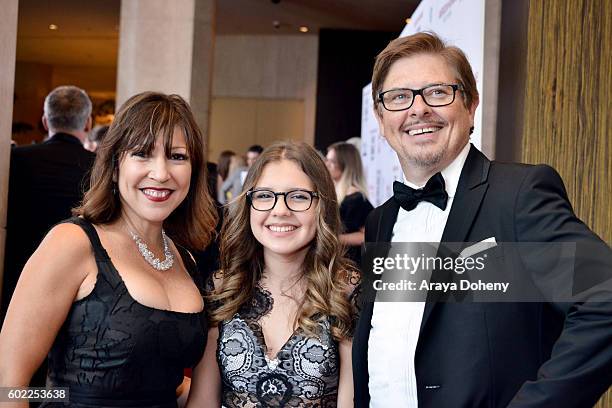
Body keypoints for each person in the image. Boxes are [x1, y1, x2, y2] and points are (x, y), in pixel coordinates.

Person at [352, 32, 612, 407]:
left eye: (438, 92)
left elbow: (603, 298)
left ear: (471, 105)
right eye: (399, 97)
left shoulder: (518, 195)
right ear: (380, 117)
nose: (418, 109)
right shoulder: (381, 221)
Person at [0, 91, 218, 407]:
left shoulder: (186, 260)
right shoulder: (73, 243)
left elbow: (156, 379)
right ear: (115, 165)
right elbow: (9, 385)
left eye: (177, 156)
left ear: (194, 171)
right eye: (142, 154)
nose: (161, 173)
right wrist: (64, 396)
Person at [187, 141, 357, 407]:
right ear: (249, 204)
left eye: (299, 196)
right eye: (265, 195)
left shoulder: (345, 289)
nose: (280, 210)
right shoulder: (223, 287)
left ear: (321, 205)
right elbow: (202, 401)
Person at [2, 86, 95, 329]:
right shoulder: (99, 168)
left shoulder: (15, 159)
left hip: (15, 276)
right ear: (88, 123)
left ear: (45, 121)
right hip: (78, 286)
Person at [326, 142, 373, 264]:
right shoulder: (336, 195)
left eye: (331, 161)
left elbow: (368, 236)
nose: (326, 165)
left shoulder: (356, 199)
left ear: (345, 165)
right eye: (327, 160)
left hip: (349, 265)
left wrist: (336, 239)